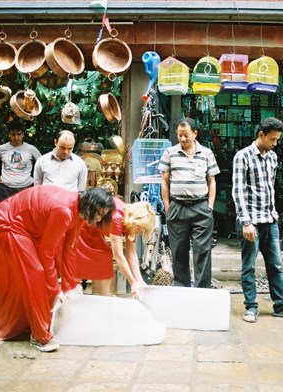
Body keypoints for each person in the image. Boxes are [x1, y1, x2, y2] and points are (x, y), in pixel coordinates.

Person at [0, 186, 115, 352]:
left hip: (27, 226)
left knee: (43, 273)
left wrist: (70, 285)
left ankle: (31, 322)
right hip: (8, 222)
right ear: (90, 205)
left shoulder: (78, 210)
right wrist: (55, 289)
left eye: (103, 215)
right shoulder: (64, 211)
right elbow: (47, 253)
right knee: (35, 273)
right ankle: (39, 335)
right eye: (99, 213)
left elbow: (69, 248)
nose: (99, 219)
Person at [232, 117, 283, 323]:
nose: (275, 143)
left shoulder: (272, 157)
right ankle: (251, 307)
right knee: (249, 266)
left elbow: (270, 189)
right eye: (272, 139)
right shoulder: (242, 156)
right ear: (261, 134)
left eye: (277, 140)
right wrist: (246, 222)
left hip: (270, 221)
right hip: (250, 221)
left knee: (276, 265)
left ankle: (280, 305)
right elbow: (238, 191)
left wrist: (273, 216)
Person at [159, 117, 220, 288]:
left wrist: (210, 206)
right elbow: (164, 181)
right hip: (177, 207)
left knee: (202, 252)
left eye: (186, 135)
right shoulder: (169, 153)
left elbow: (212, 181)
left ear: (195, 133)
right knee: (178, 251)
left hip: (201, 208)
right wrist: (167, 206)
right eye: (179, 135)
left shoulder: (207, 153)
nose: (183, 139)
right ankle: (182, 289)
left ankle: (202, 290)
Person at [76, 198, 156, 296]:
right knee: (83, 262)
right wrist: (133, 283)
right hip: (82, 228)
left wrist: (140, 282)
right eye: (140, 227)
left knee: (105, 258)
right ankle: (72, 291)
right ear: (135, 219)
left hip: (94, 232)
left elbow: (131, 254)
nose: (140, 231)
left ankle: (104, 298)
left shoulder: (130, 222)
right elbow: (118, 255)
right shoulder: (117, 217)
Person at [0, 119, 42, 204]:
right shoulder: (1, 149)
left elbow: (43, 165)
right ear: (9, 134)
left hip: (26, 188)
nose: (16, 137)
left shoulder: (31, 149)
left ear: (23, 134)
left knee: (25, 215)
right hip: (5, 189)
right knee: (3, 215)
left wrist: (37, 181)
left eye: (19, 134)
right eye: (13, 134)